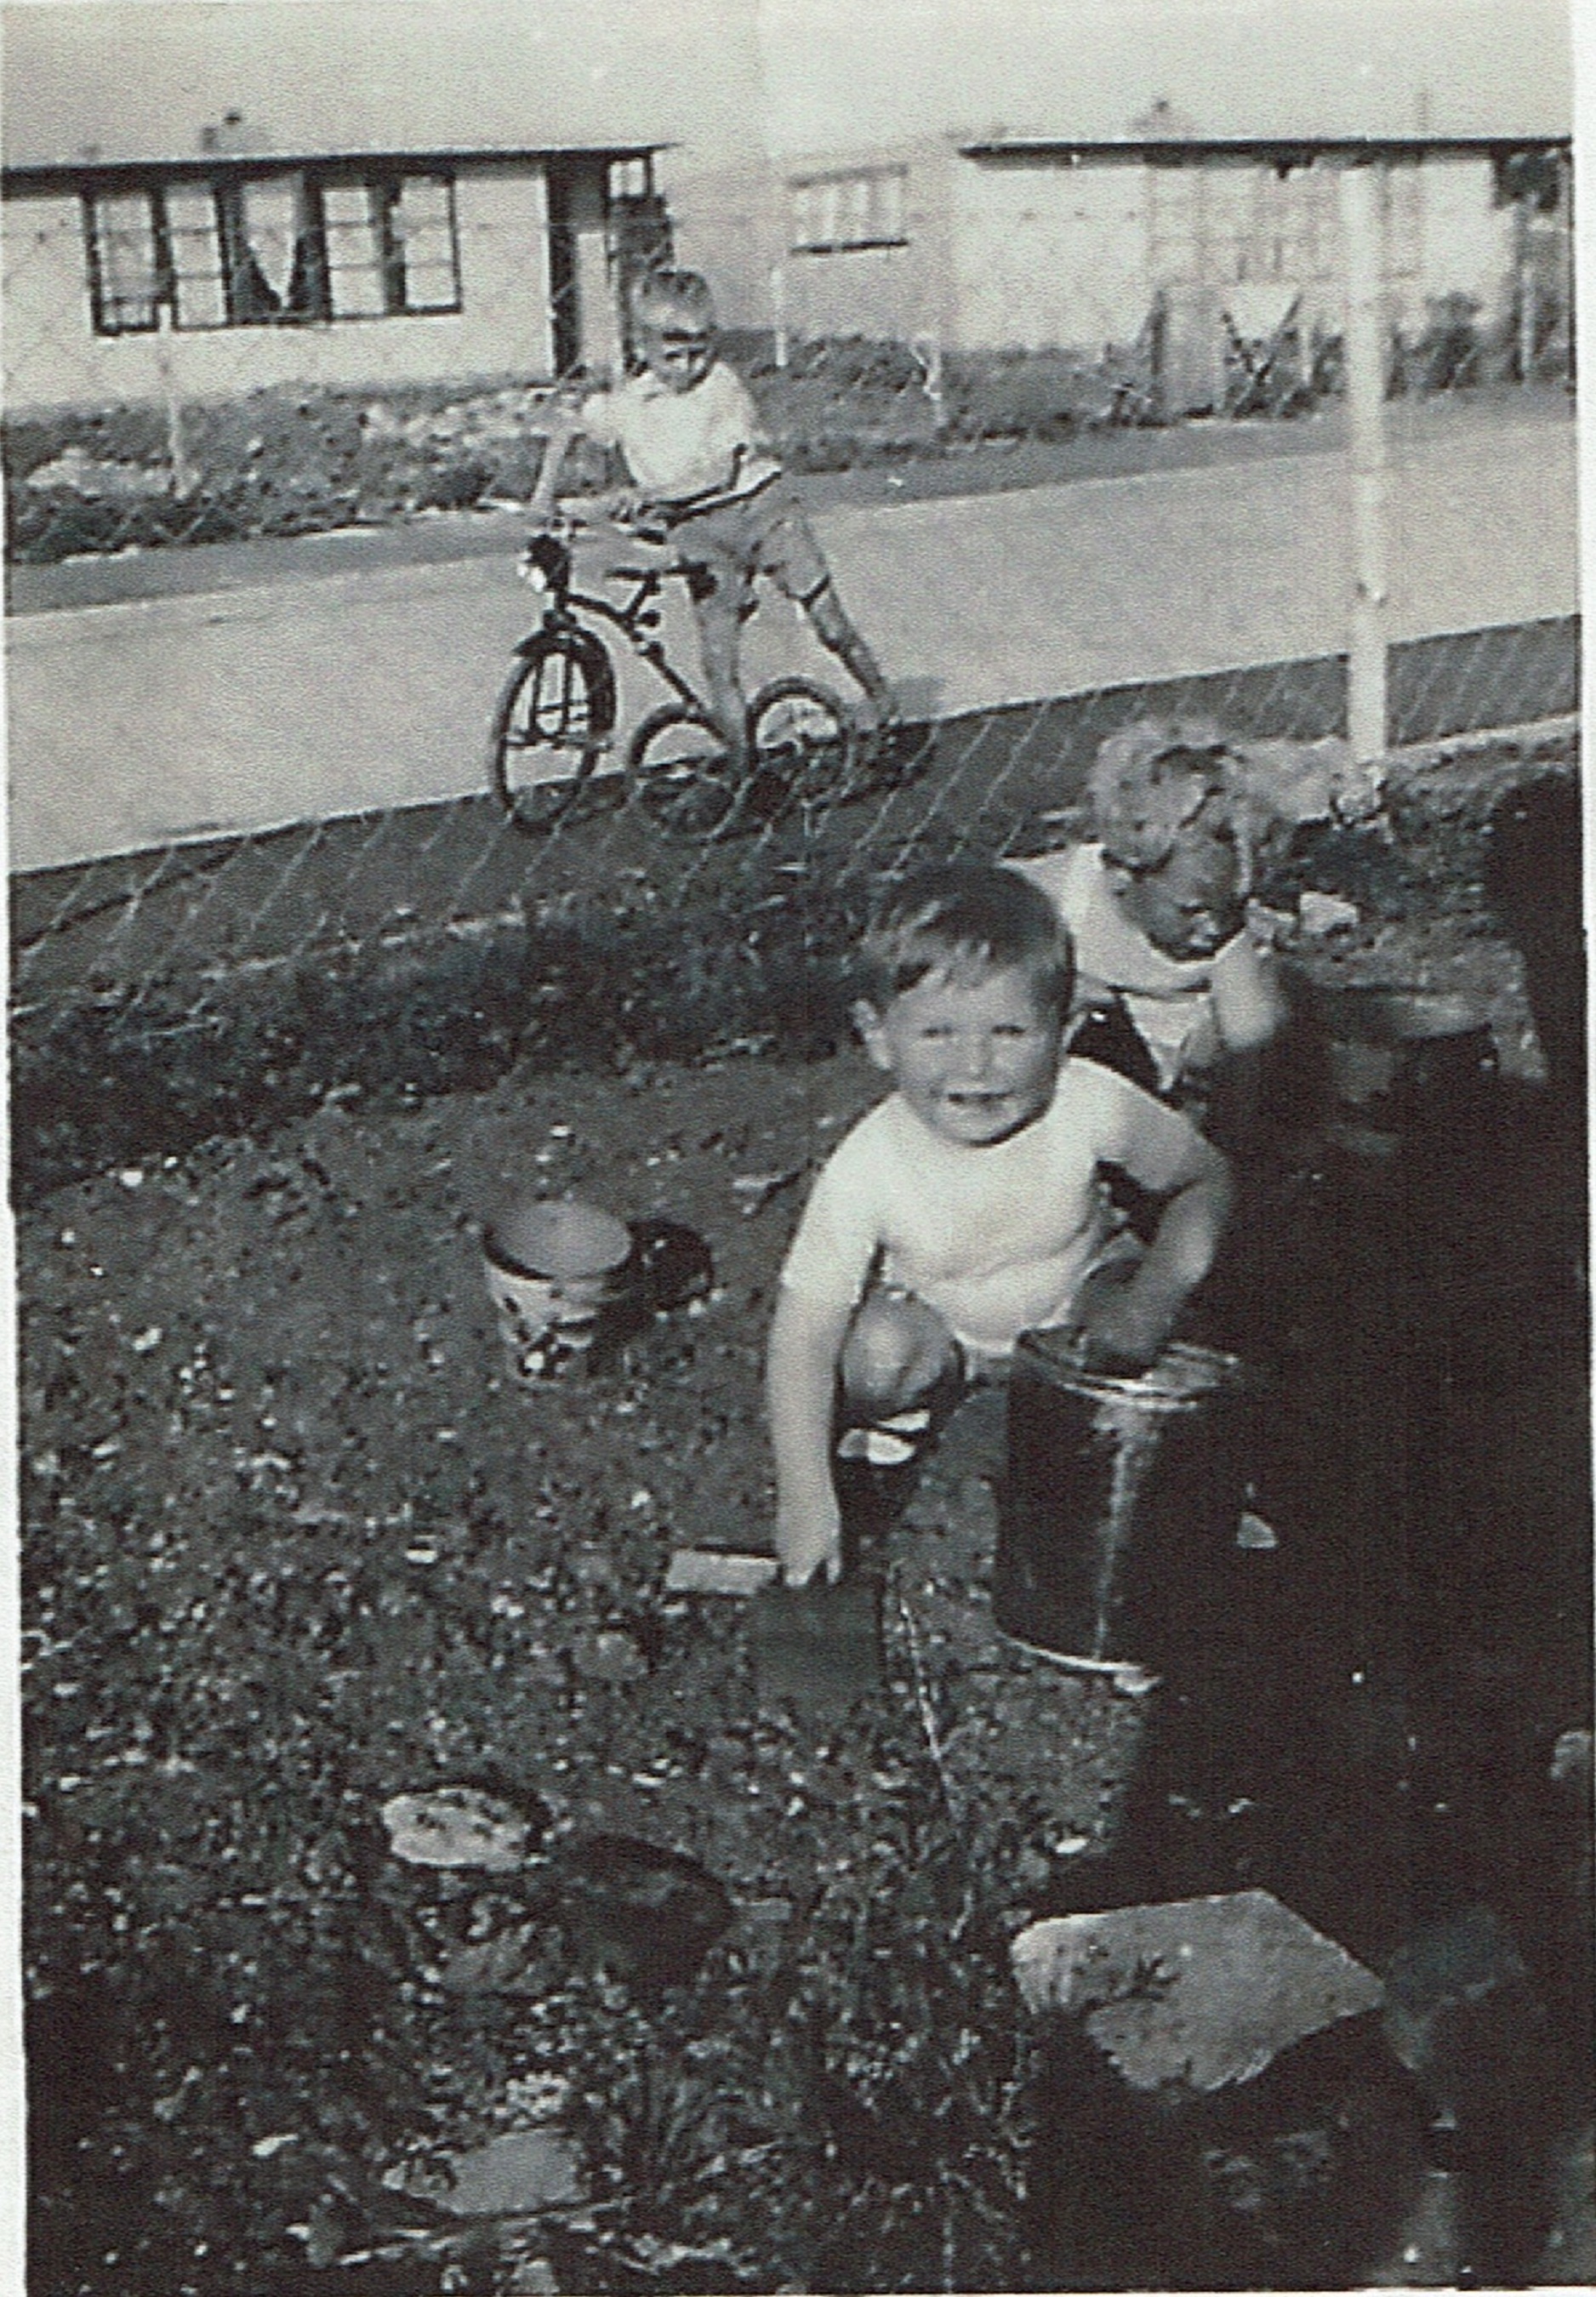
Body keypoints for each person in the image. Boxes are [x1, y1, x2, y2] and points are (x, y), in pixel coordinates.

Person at [767, 861, 1234, 1587]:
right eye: (938, 1034)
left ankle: (1158, 1464)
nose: (975, 1066)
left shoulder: (1087, 1102)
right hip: (947, 1335)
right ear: (878, 1036)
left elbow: (1206, 1179)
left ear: (1065, 1031)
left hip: (1074, 1322)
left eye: (1010, 1031)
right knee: (876, 1351)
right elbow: (804, 1330)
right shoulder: (868, 1164)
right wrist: (805, 1498)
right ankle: (905, 1431)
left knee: (1173, 1322)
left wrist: (1154, 1299)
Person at [527, 267, 893, 769]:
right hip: (700, 536)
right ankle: (745, 764)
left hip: (760, 512)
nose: (687, 367)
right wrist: (544, 495)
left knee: (829, 622)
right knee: (717, 660)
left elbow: (716, 476)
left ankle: (882, 702)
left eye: (698, 353)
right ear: (643, 349)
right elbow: (568, 421)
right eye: (672, 356)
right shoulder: (631, 402)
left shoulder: (721, 387)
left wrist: (640, 496)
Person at [1012, 720, 1285, 1115]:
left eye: (1229, 909)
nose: (1211, 930)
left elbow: (1250, 1043)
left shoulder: (1222, 929)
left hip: (1189, 1072)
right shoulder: (1061, 894)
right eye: (1190, 910)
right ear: (1121, 876)